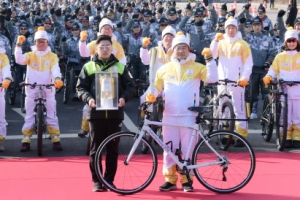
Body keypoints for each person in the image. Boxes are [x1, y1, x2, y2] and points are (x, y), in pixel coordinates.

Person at [153, 32, 218, 192]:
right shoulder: (164, 69)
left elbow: (212, 78)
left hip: (189, 115)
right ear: (172, 50)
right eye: (178, 48)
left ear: (189, 50)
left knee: (188, 150)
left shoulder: (197, 67)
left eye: (184, 48)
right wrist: (150, 97)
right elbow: (156, 88)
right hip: (169, 115)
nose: (181, 51)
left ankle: (187, 180)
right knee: (169, 149)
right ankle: (170, 180)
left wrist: (209, 59)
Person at [76, 35, 136, 192]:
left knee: (113, 150)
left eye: (107, 46)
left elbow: (131, 86)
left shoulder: (121, 67)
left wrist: (124, 98)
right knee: (95, 149)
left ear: (112, 48)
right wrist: (88, 99)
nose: (104, 49)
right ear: (96, 49)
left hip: (115, 114)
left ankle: (109, 180)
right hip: (96, 114)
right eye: (101, 46)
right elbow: (80, 88)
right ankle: (97, 181)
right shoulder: (88, 67)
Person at [15, 27, 64, 152]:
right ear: (35, 42)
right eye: (38, 41)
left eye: (43, 41)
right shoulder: (30, 55)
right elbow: (19, 60)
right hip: (32, 88)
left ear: (47, 42)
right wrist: (18, 45)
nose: (41, 43)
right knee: (29, 115)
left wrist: (57, 79)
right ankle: (26, 140)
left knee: (52, 115)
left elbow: (55, 69)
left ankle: (55, 139)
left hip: (48, 88)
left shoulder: (52, 56)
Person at [210, 17, 253, 147]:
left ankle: (240, 135)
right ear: (225, 28)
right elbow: (212, 55)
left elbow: (249, 63)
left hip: (237, 82)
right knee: (224, 110)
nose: (230, 30)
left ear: (236, 29)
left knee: (238, 109)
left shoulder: (242, 44)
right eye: (228, 28)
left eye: (233, 28)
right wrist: (215, 41)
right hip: (222, 82)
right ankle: (226, 134)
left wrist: (245, 77)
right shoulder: (221, 43)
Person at [263, 27, 300, 148]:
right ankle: (286, 136)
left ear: (297, 41)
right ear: (285, 42)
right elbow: (273, 70)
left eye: (293, 40)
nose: (291, 43)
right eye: (288, 41)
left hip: (298, 91)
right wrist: (268, 77)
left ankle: (297, 136)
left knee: (297, 115)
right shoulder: (279, 57)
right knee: (285, 115)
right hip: (283, 91)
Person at [243, 16, 276, 119]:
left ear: (262, 26)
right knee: (253, 92)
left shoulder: (268, 38)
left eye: (258, 25)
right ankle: (253, 111)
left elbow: (272, 52)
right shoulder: (247, 38)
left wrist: (268, 62)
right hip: (252, 69)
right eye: (255, 25)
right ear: (252, 27)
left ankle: (266, 112)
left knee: (266, 92)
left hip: (264, 70)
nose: (257, 27)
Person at [0, 46, 11, 152]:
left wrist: (7, 79)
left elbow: (6, 70)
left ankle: (0, 141)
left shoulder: (2, 57)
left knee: (0, 118)